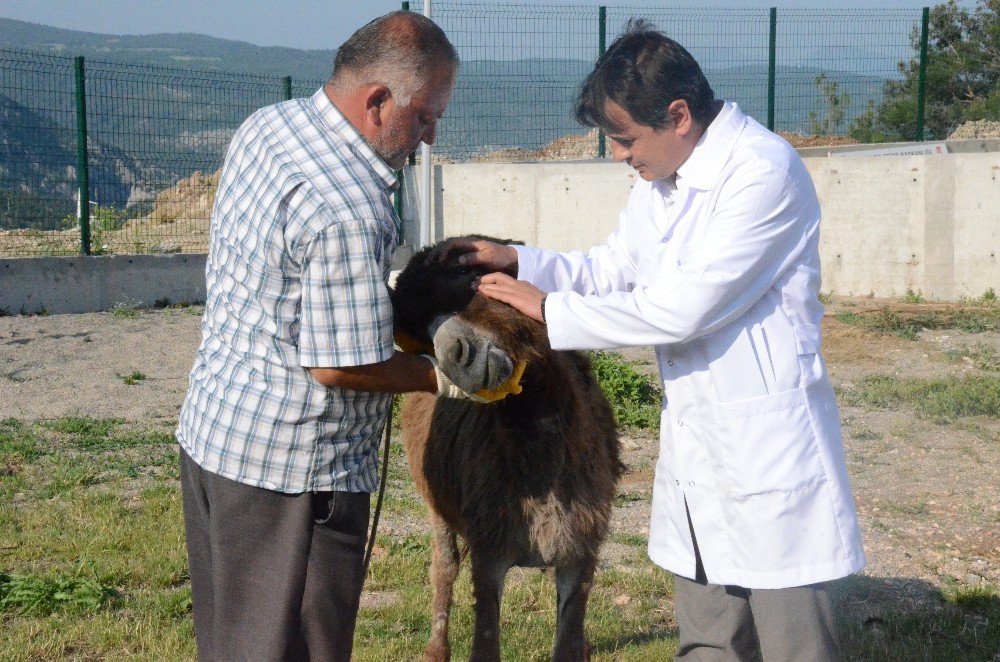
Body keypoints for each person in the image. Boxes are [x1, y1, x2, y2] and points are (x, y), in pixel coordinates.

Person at [445, 20, 866, 662]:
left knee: (794, 646)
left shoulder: (762, 173)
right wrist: (521, 262)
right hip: (701, 452)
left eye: (623, 138)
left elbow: (683, 309)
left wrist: (551, 314)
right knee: (707, 639)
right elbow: (613, 268)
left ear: (678, 116)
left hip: (766, 450)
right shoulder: (662, 185)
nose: (618, 155)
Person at [175, 12, 478, 662]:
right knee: (293, 647)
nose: (428, 138)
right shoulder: (349, 206)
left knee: (232, 643)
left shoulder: (268, 126)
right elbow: (341, 367)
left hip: (215, 437)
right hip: (292, 480)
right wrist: (446, 376)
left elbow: (288, 290)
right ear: (376, 101)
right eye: (424, 116)